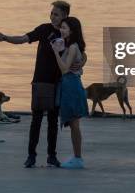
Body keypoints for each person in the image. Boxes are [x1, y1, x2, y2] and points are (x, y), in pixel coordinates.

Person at [0, 1, 86, 168]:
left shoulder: (68, 33)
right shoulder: (44, 29)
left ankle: (52, 156)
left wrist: (82, 62)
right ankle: (31, 156)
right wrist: (6, 38)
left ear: (65, 15)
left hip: (59, 84)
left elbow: (80, 51)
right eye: (51, 13)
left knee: (53, 122)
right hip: (41, 81)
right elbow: (23, 39)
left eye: (56, 14)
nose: (52, 16)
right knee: (36, 120)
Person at [50, 17, 89, 169]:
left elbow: (65, 69)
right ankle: (77, 157)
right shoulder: (72, 46)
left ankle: (78, 158)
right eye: (61, 27)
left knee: (74, 124)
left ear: (72, 30)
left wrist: (55, 53)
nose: (61, 30)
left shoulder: (72, 47)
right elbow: (83, 57)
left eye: (64, 28)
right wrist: (82, 63)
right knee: (74, 124)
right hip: (70, 85)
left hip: (71, 86)